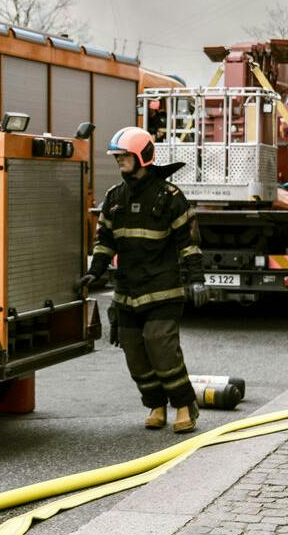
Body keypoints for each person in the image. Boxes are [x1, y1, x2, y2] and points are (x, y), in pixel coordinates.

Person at [82, 126, 204, 433]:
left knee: (160, 348)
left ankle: (184, 405)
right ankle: (155, 405)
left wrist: (197, 279)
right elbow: (105, 240)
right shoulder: (115, 198)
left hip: (162, 289)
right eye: (118, 157)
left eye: (123, 156)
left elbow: (188, 242)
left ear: (142, 156)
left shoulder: (170, 197)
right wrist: (95, 271)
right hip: (127, 292)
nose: (119, 161)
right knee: (134, 353)